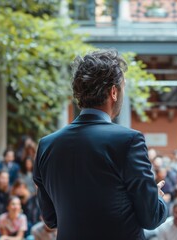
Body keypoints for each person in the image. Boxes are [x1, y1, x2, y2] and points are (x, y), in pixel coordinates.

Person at [33, 49, 167, 239]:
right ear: (113, 92)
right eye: (122, 87)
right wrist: (157, 198)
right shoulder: (129, 141)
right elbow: (151, 218)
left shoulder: (46, 145)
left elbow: (51, 218)